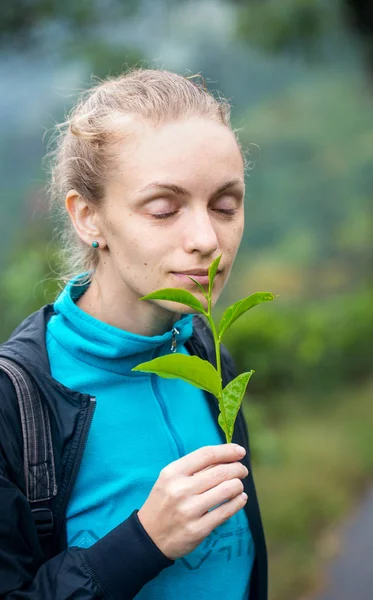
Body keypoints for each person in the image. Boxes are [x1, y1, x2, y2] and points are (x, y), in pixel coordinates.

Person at [0, 69, 267, 599]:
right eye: (164, 209)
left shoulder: (207, 355)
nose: (205, 239)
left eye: (225, 206)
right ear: (88, 217)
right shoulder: (16, 401)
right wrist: (143, 542)